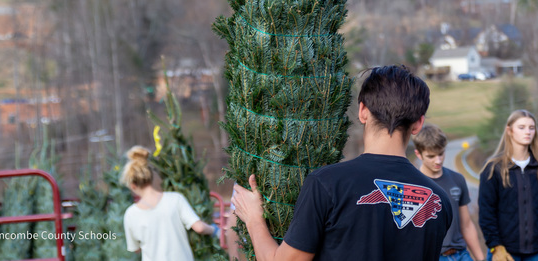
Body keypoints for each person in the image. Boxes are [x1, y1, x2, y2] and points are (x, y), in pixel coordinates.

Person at [231, 64, 454, 261]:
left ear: (363, 110)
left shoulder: (327, 184)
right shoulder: (440, 201)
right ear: (418, 124)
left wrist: (253, 219)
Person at [478, 110, 538, 261]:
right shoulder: (494, 169)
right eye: (521, 127)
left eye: (531, 128)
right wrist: (495, 246)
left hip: (537, 251)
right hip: (505, 250)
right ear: (509, 131)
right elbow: (487, 213)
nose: (527, 132)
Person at [121, 145, 221, 261]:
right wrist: (215, 230)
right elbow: (199, 227)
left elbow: (135, 248)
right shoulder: (175, 199)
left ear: (133, 186)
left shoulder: (131, 213)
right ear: (152, 176)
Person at [413, 124, 485, 261]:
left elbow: (467, 225)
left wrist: (481, 258)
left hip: (462, 254)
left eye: (441, 154)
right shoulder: (414, 184)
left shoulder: (458, 180)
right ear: (418, 154)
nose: (438, 160)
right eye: (431, 156)